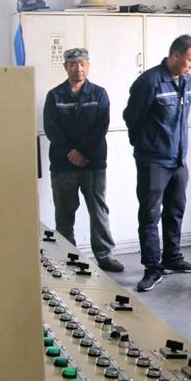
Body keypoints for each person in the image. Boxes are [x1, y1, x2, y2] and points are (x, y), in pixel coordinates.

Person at [123, 34, 191, 292]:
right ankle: (152, 268)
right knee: (150, 214)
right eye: (190, 60)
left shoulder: (187, 80)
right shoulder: (149, 81)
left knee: (175, 210)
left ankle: (172, 258)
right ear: (175, 55)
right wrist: (145, 145)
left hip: (178, 159)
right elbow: (131, 116)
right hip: (153, 160)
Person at [43, 47, 123, 272]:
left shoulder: (99, 94)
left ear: (88, 66)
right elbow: (51, 128)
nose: (78, 68)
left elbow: (101, 126)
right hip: (63, 165)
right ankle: (68, 256)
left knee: (98, 210)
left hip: (93, 163)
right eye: (73, 64)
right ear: (65, 67)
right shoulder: (54, 96)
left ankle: (105, 256)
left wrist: (82, 152)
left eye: (82, 64)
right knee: (64, 212)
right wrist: (71, 152)